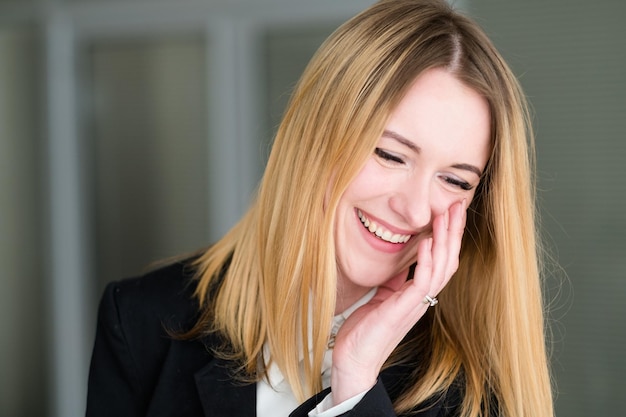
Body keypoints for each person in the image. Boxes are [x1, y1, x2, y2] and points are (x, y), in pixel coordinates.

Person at [86, 0, 554, 416]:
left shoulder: (475, 393)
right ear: (317, 136)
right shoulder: (141, 321)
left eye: (455, 180)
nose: (413, 211)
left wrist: (353, 389)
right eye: (390, 154)